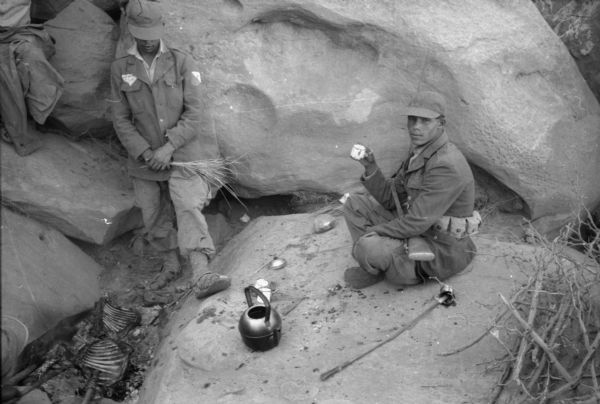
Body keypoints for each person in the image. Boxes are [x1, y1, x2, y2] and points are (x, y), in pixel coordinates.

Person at [109, 0, 230, 299]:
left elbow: (195, 113)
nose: (148, 41)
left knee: (186, 203)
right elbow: (120, 118)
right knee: (151, 213)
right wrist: (145, 152)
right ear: (132, 32)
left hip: (184, 153)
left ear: (161, 28)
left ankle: (200, 269)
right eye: (141, 35)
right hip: (144, 158)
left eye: (152, 33)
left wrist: (169, 146)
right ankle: (169, 262)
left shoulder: (181, 62)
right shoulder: (120, 68)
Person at [342, 90, 480, 289]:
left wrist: (371, 233)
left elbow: (415, 224)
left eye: (425, 121)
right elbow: (392, 200)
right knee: (354, 204)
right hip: (420, 229)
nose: (416, 127)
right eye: (412, 119)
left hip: (438, 251)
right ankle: (378, 263)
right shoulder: (420, 151)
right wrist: (370, 167)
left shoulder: (446, 164)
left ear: (441, 124)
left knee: (367, 246)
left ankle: (383, 262)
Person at [0, 0, 65, 156]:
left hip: (19, 33)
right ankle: (14, 126)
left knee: (29, 59)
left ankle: (22, 121)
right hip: (11, 35)